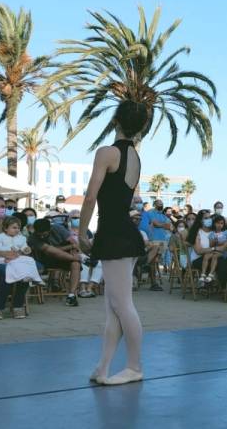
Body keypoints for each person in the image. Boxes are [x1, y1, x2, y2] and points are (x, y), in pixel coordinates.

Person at [77, 100, 148, 385]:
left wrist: (82, 232)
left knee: (122, 305)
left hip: (114, 235)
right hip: (124, 234)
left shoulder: (106, 152)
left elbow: (91, 196)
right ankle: (103, 367)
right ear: (142, 126)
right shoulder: (135, 157)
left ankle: (135, 366)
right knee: (113, 308)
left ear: (115, 121)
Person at [0, 195, 33, 320]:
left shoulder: (12, 224)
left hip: (13, 260)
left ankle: (17, 306)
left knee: (25, 271)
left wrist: (24, 249)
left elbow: (21, 243)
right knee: (9, 271)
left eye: (2, 206)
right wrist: (4, 254)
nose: (0, 209)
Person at [28, 218, 84, 305]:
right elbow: (50, 250)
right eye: (40, 235)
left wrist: (74, 250)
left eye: (44, 234)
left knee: (76, 264)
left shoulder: (57, 228)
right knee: (75, 260)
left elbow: (74, 243)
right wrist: (72, 252)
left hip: (65, 257)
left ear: (50, 229)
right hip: (46, 259)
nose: (42, 237)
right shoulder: (33, 238)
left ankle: (71, 295)